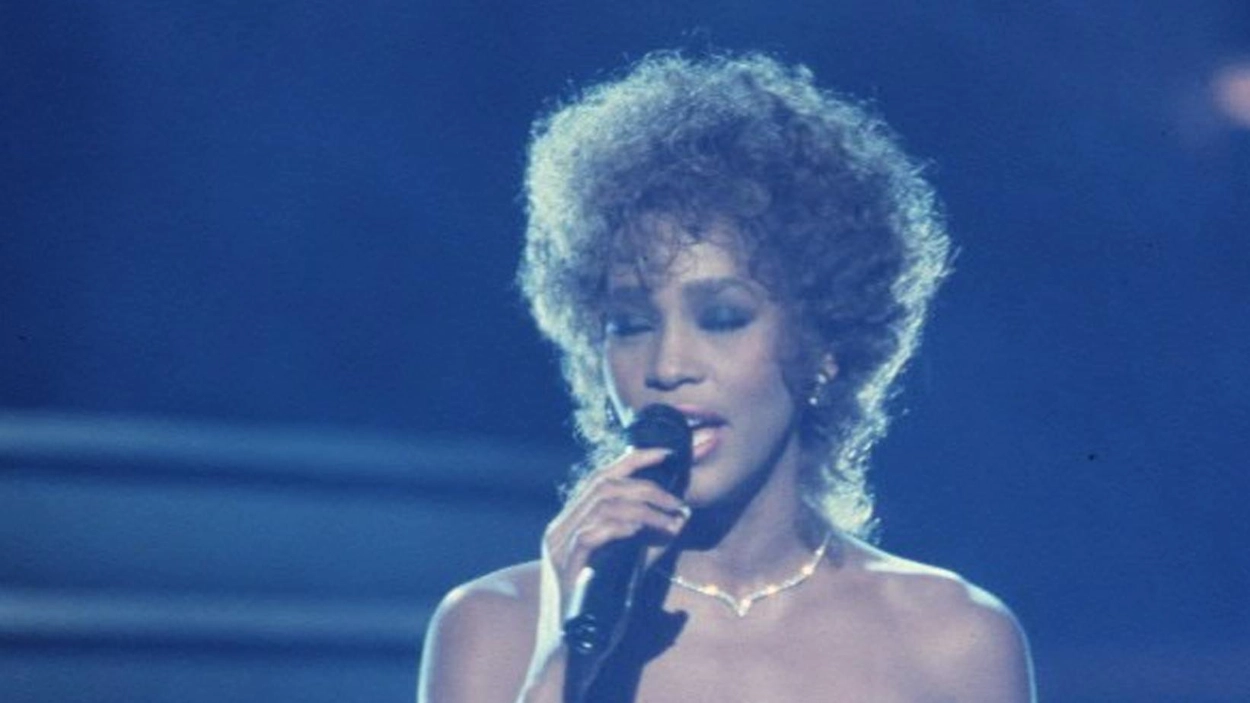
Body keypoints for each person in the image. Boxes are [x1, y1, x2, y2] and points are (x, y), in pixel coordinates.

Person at [417, 51, 1036, 703]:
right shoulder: (493, 627)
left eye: (722, 318)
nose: (667, 367)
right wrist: (565, 655)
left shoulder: (953, 641)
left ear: (824, 343)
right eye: (630, 324)